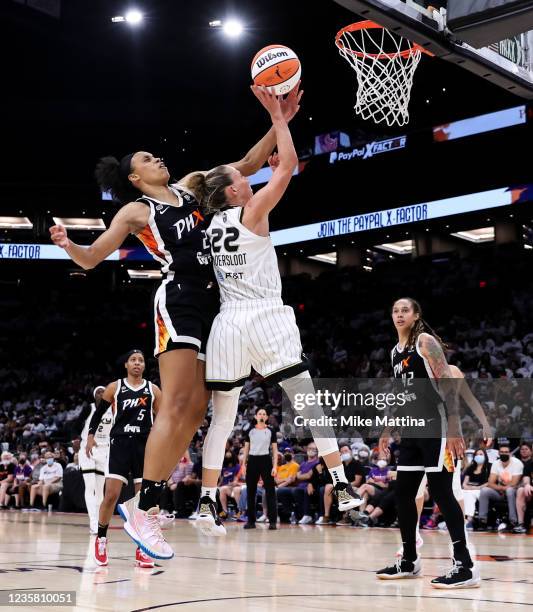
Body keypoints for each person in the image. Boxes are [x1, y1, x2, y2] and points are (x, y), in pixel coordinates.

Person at [49, 86, 302, 560]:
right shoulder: (137, 210)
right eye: (148, 157)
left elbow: (245, 166)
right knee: (179, 402)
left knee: (194, 411)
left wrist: (278, 119)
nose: (157, 158)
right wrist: (68, 244)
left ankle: (150, 499)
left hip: (215, 303)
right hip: (179, 297)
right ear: (134, 176)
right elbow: (91, 260)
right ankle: (143, 506)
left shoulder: (190, 186)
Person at [194, 85, 361, 536]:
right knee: (307, 401)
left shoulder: (212, 223)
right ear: (232, 190)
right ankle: (343, 485)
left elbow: (268, 169)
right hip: (264, 315)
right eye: (240, 177)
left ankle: (207, 502)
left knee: (223, 417)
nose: (247, 178)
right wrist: (280, 119)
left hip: (227, 321)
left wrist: (276, 126)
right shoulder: (251, 211)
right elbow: (288, 166)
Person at [376, 297, 480, 589]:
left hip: (438, 427)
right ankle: (409, 560)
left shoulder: (425, 341)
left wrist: (456, 426)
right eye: (395, 310)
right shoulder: (395, 352)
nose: (399, 314)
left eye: (404, 310)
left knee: (442, 492)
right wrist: (387, 428)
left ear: (416, 314)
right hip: (412, 430)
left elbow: (447, 381)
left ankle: (465, 565)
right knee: (404, 493)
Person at [86, 350, 161, 568]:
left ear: (144, 366)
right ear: (126, 365)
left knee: (143, 500)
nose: (137, 363)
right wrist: (91, 436)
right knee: (111, 495)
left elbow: (164, 418)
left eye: (141, 361)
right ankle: (101, 539)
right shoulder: (115, 387)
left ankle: (143, 547)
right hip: (119, 444)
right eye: (133, 360)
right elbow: (99, 414)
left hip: (143, 446)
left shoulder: (153, 390)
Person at [72, 386, 113, 534]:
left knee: (100, 489)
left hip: (104, 450)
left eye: (104, 391)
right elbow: (75, 426)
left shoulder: (112, 409)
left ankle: (100, 521)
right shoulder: (88, 408)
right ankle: (93, 522)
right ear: (94, 395)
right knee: (90, 487)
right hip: (87, 448)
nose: (101, 394)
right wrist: (75, 439)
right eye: (99, 392)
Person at [239, 408, 278, 530]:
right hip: (252, 460)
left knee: (270, 492)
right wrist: (243, 465)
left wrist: (275, 466)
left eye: (264, 414)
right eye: (260, 413)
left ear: (266, 417)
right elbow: (246, 449)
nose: (262, 415)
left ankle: (272, 521)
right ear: (256, 416)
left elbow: (275, 451)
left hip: (266, 460)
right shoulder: (250, 431)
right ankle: (251, 521)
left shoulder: (271, 431)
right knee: (251, 492)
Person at [477, 444, 523, 531]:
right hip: (500, 492)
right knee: (484, 490)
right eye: (502, 452)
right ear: (498, 453)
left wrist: (500, 487)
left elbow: (514, 483)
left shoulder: (517, 463)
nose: (504, 454)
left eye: (506, 452)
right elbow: (490, 483)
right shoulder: (496, 463)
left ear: (510, 453)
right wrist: (501, 488)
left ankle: (513, 521)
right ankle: (482, 521)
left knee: (509, 490)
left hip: (515, 493)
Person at [462, 448, 491, 530]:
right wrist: (468, 487)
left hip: (483, 490)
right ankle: (460, 519)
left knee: (470, 494)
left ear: (485, 455)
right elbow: (464, 483)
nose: (479, 456)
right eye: (477, 454)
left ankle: (469, 519)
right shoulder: (471, 467)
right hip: (470, 490)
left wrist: (477, 487)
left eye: (481, 454)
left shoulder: (489, 466)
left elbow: (490, 482)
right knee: (463, 492)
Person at [514, 447, 532, 533]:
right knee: (521, 490)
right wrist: (527, 484)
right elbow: (526, 480)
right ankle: (521, 524)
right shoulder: (529, 464)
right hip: (531, 492)